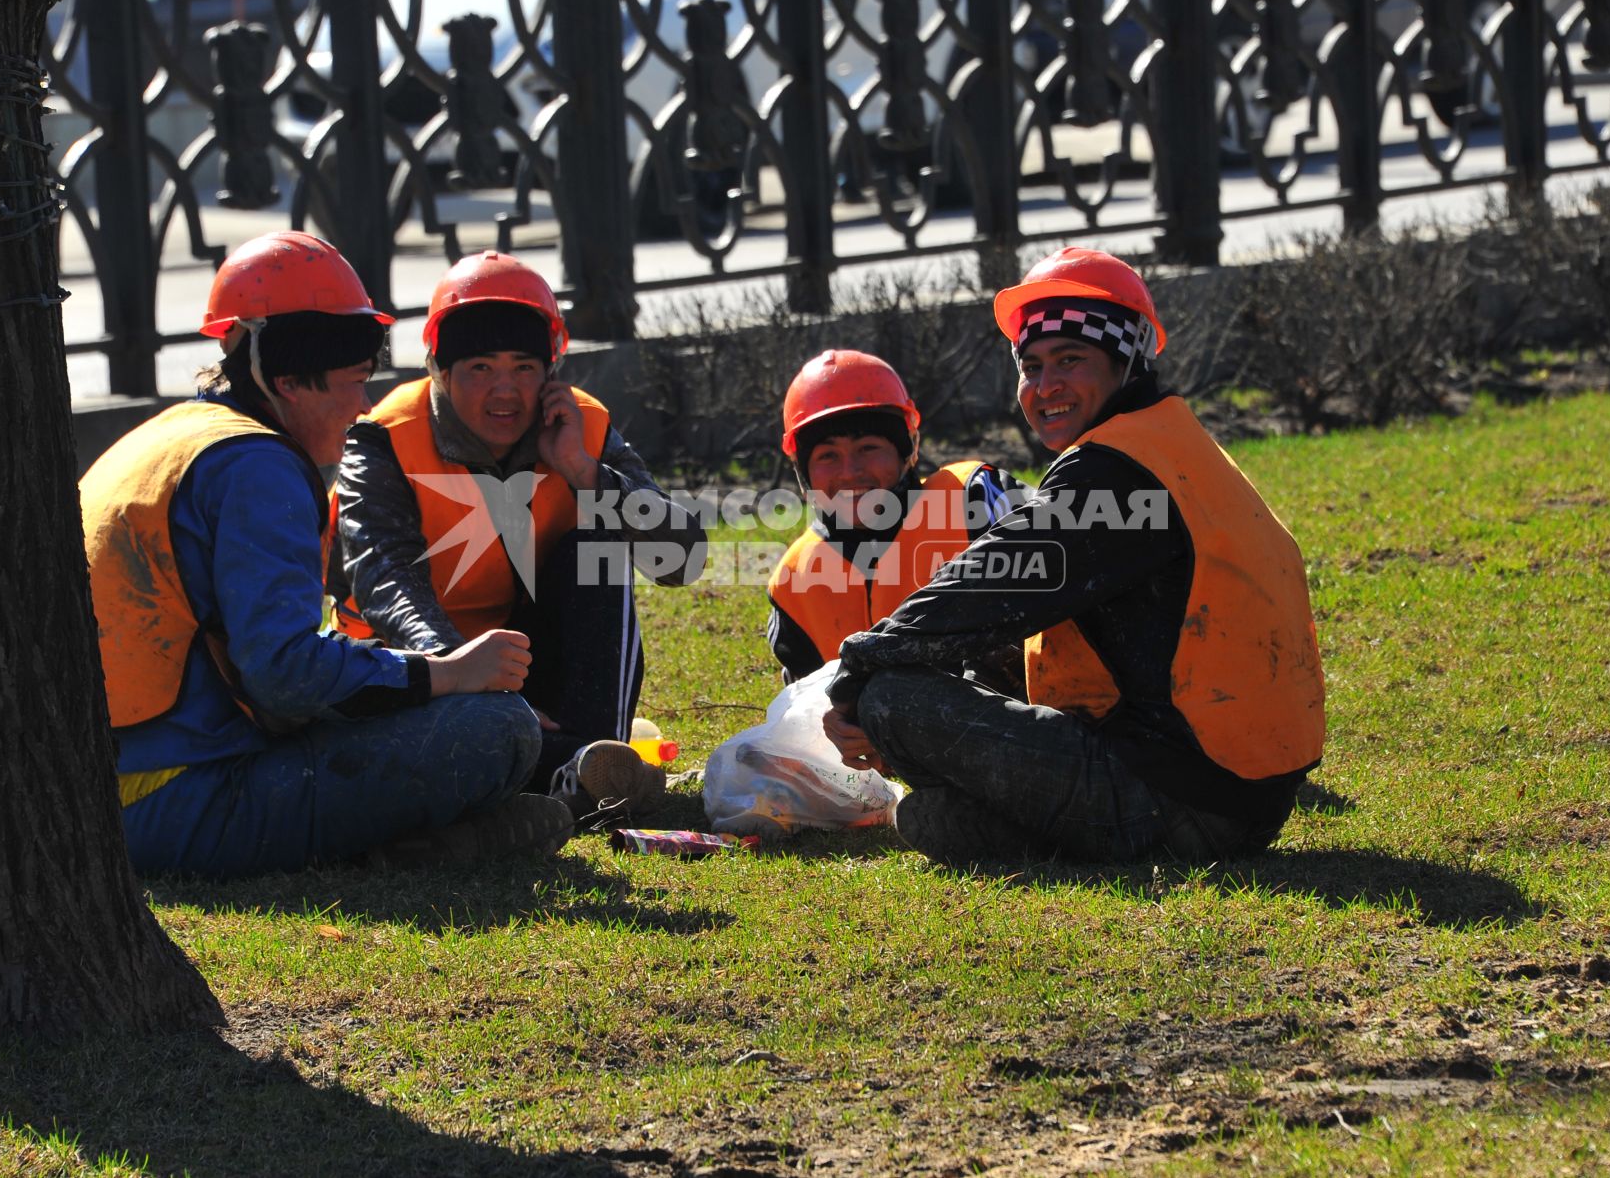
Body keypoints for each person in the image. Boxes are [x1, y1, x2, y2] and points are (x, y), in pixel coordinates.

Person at [81, 232, 570, 878]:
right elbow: (284, 672)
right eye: (353, 382)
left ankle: (430, 839)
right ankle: (411, 845)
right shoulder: (257, 466)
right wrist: (441, 674)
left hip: (109, 788)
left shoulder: (175, 434)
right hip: (177, 799)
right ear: (289, 380)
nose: (362, 407)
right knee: (497, 727)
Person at [823, 248, 1326, 864]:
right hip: (1241, 799)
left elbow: (991, 580)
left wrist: (861, 665)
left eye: (1071, 360)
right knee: (930, 818)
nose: (1045, 386)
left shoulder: (1117, 470)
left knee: (893, 700)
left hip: (1186, 796)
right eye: (1030, 366)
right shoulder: (1167, 442)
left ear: (1127, 362)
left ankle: (1127, 838)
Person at [333, 250, 707, 819]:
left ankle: (584, 763)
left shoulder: (583, 424)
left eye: (524, 368)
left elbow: (679, 562)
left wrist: (584, 472)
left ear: (550, 372)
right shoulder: (382, 438)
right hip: (412, 666)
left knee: (598, 548)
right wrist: (459, 671)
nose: (504, 392)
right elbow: (386, 580)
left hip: (523, 663)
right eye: (481, 368)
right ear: (439, 368)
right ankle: (568, 773)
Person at [766, 349, 1021, 684]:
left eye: (868, 448)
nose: (850, 472)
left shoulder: (975, 499)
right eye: (827, 455)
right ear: (802, 472)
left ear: (908, 449)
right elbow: (807, 707)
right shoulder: (793, 581)